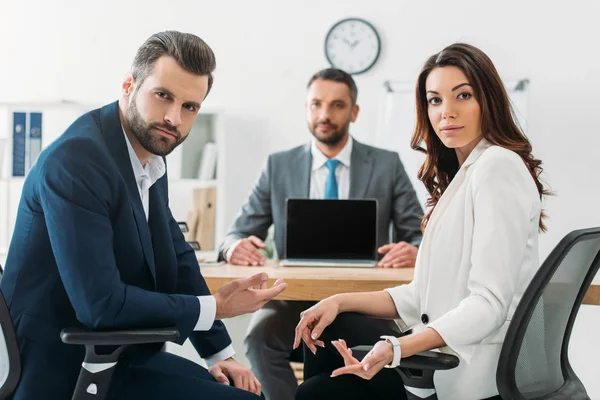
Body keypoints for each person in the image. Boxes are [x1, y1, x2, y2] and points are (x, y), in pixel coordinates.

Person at [0, 31, 288, 400]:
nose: (173, 118)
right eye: (163, 96)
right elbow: (100, 305)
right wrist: (216, 308)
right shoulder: (77, 162)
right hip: (58, 367)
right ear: (128, 85)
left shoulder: (148, 159)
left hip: (115, 354)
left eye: (190, 107)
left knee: (247, 390)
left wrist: (220, 353)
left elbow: (177, 256)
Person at [294, 43, 550, 400]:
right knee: (328, 328)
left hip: (472, 373)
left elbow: (488, 303)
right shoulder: (466, 172)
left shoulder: (496, 166)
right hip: (447, 359)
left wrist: (398, 348)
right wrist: (337, 299)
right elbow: (419, 297)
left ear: (488, 100)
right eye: (435, 100)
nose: (447, 112)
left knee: (316, 394)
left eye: (463, 95)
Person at [218, 68, 424, 400]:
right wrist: (233, 248)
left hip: (363, 301)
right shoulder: (278, 165)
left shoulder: (386, 164)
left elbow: (419, 236)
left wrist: (416, 249)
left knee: (389, 344)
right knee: (259, 338)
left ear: (354, 112)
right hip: (294, 298)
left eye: (337, 105)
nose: (324, 114)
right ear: (306, 108)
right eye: (316, 104)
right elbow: (236, 233)